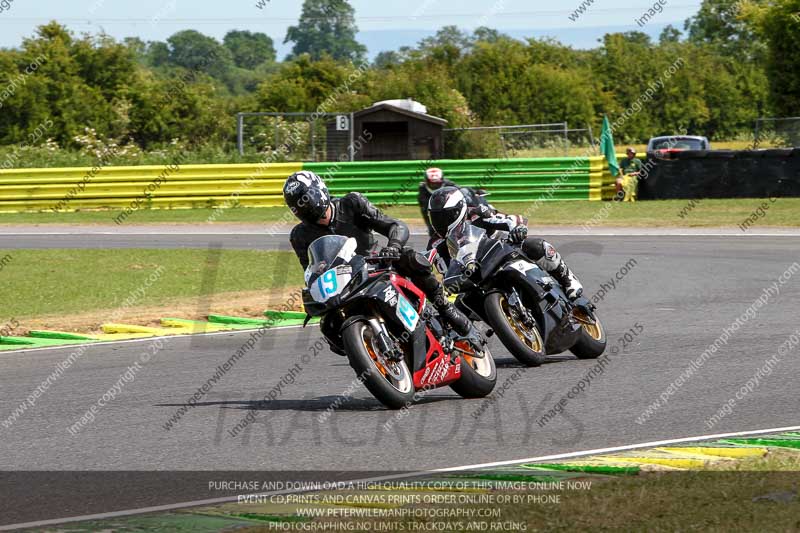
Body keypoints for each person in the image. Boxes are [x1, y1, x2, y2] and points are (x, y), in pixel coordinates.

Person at [283, 171, 482, 339]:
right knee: (328, 326)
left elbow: (395, 226)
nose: (304, 207)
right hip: (343, 284)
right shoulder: (299, 236)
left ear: (319, 191)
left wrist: (394, 246)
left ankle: (445, 308)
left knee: (409, 257)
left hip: (376, 266)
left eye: (305, 200)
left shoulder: (351, 204)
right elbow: (310, 272)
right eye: (297, 205)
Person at [427, 187, 590, 306]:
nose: (440, 222)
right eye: (435, 217)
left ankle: (567, 278)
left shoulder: (477, 213)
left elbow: (508, 219)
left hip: (502, 253)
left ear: (458, 210)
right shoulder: (436, 243)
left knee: (535, 245)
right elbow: (442, 273)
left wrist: (517, 229)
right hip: (476, 276)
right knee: (460, 305)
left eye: (445, 216)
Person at [418, 167, 494, 237]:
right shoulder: (423, 191)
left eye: (437, 183)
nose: (434, 185)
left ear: (442, 180)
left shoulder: (448, 184)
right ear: (426, 181)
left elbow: (461, 190)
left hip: (452, 213)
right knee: (433, 234)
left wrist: (474, 193)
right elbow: (425, 213)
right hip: (439, 218)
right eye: (432, 183)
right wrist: (430, 226)